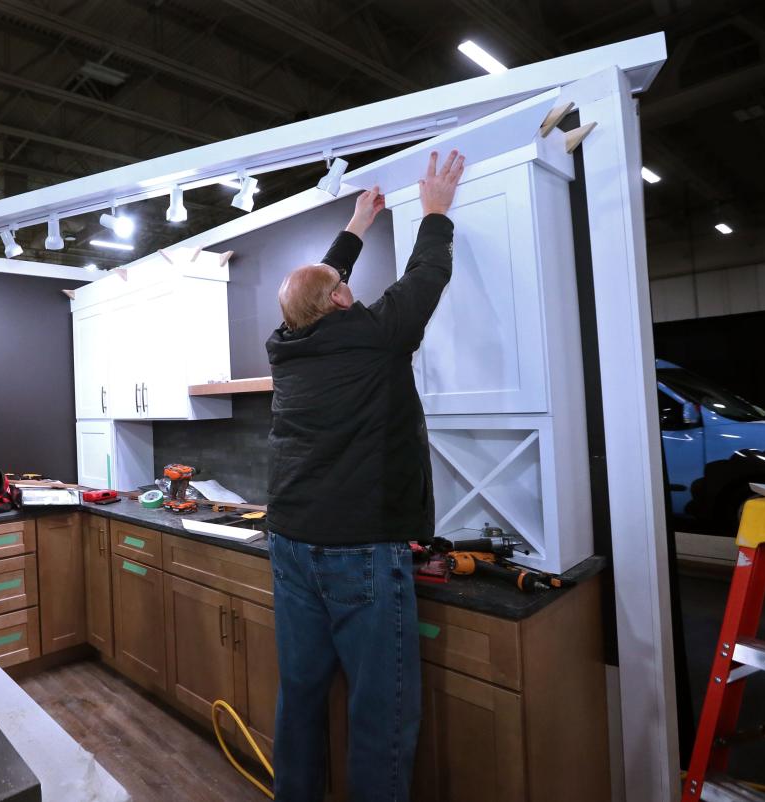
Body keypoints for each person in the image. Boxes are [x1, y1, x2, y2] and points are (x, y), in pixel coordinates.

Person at [265, 150, 465, 801]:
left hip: (291, 542)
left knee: (300, 697)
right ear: (345, 299)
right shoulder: (379, 336)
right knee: (380, 715)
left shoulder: (285, 345)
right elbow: (427, 273)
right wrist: (435, 211)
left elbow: (318, 291)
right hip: (361, 552)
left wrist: (356, 225)